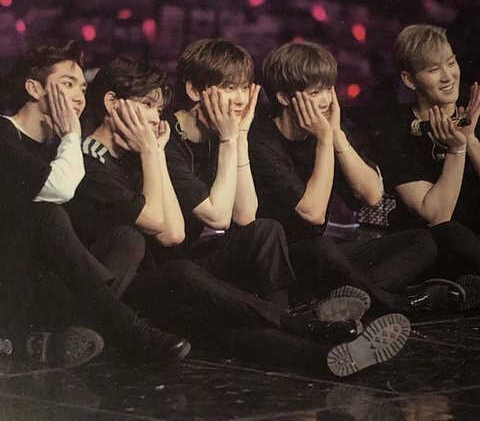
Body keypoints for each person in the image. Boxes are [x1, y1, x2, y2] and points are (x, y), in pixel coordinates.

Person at [67, 54, 413, 378]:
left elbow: (244, 216)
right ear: (112, 104)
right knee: (207, 300)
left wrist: (229, 138)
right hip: (125, 301)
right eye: (147, 107)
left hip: (171, 276)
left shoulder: (142, 153)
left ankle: (317, 347)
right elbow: (172, 234)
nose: (156, 119)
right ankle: (306, 331)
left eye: (158, 109)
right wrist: (156, 152)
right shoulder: (91, 161)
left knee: (262, 234)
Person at [0, 40, 191, 367]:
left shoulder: (60, 148)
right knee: (47, 213)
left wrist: (153, 151)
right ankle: (129, 331)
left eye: (82, 88)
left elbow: (171, 233)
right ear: (34, 88)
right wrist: (72, 135)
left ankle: (76, 332)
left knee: (128, 237)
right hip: (9, 284)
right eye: (67, 84)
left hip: (43, 288)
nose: (78, 96)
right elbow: (59, 189)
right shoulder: (5, 133)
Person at [249, 40, 463, 313]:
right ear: (283, 98)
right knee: (323, 248)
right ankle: (393, 304)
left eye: (328, 89)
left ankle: (342, 301)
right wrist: (324, 140)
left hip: (323, 260)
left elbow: (372, 195)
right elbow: (312, 213)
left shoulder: (327, 129)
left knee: (422, 241)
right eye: (315, 92)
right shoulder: (261, 140)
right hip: (278, 264)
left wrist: (337, 137)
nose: (326, 101)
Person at [377, 24, 480, 309]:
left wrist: (471, 141)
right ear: (409, 80)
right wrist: (457, 150)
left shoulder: (473, 113)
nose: (448, 77)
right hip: (436, 248)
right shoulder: (396, 136)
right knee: (454, 234)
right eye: (434, 70)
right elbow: (437, 216)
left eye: (451, 63)